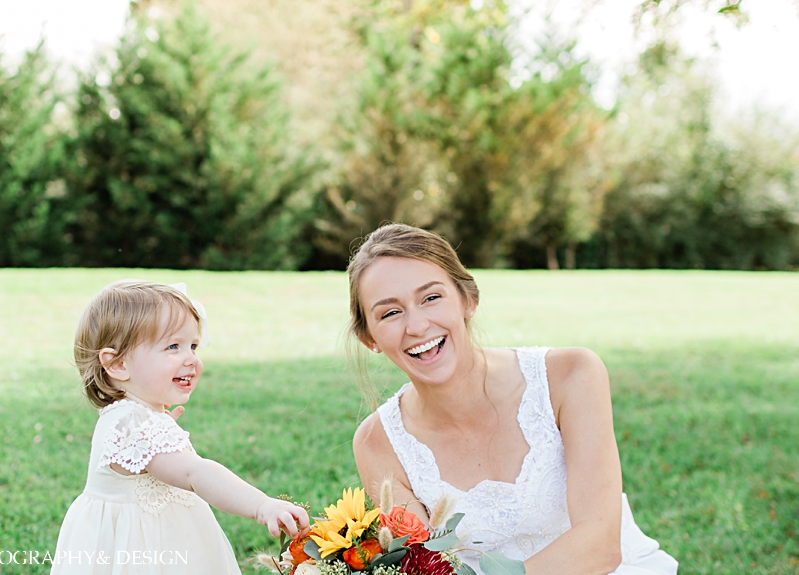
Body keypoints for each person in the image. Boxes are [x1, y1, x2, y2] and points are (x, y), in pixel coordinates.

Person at [349, 224, 678, 575]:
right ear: (369, 337)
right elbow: (426, 568)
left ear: (468, 300)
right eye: (390, 313)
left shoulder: (571, 376)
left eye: (431, 298)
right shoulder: (377, 442)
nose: (416, 326)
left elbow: (599, 547)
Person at [52, 280, 308, 574]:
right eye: (173, 346)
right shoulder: (133, 422)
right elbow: (194, 472)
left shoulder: (131, 416)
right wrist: (261, 505)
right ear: (118, 364)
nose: (191, 359)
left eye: (193, 346)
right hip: (144, 550)